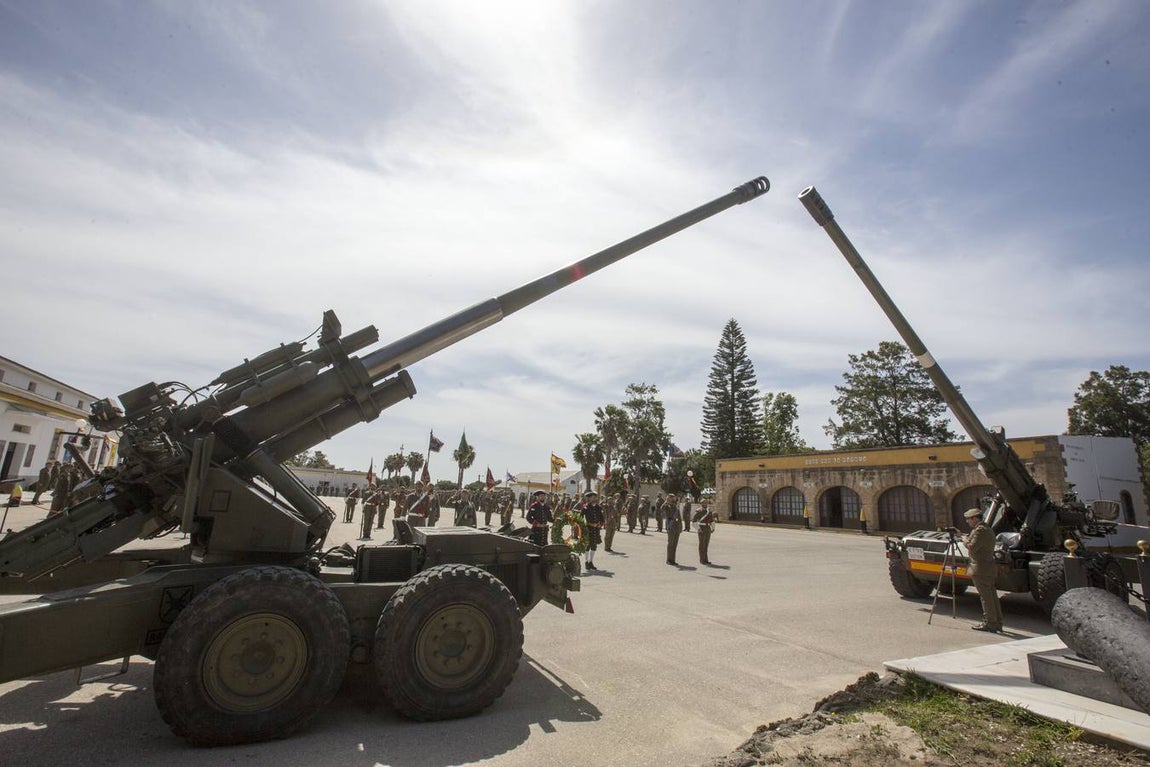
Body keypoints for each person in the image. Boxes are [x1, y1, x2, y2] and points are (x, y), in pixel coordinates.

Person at [963, 507, 1002, 633]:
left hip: (980, 568)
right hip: (987, 567)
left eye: (968, 519)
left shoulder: (980, 531)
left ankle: (990, 623)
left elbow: (972, 547)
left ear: (975, 518)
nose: (967, 522)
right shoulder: (986, 529)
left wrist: (964, 540)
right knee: (991, 596)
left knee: (986, 597)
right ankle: (996, 622)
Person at [580, 491, 604, 570]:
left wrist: (601, 524)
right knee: (588, 546)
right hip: (588, 529)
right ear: (589, 498)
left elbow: (601, 517)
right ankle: (586, 561)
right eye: (592, 497)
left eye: (595, 497)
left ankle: (591, 562)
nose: (594, 499)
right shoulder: (585, 507)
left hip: (596, 529)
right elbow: (580, 518)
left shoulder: (598, 507)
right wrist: (584, 526)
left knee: (594, 546)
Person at [693, 499, 716, 565]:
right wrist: (698, 528)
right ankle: (702, 560)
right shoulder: (698, 511)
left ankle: (706, 559)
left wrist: (713, 527)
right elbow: (694, 521)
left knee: (706, 544)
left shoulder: (709, 511)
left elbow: (711, 520)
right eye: (703, 503)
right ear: (701, 504)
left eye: (706, 503)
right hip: (702, 528)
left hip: (708, 528)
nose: (705, 504)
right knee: (702, 544)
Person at [665, 493, 682, 565]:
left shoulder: (676, 508)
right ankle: (669, 560)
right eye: (672, 499)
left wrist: (680, 527)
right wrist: (666, 500)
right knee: (670, 544)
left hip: (676, 527)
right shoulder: (667, 506)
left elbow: (679, 518)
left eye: (674, 499)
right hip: (671, 526)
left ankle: (673, 560)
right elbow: (661, 509)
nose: (674, 501)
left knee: (675, 544)